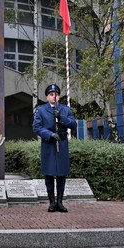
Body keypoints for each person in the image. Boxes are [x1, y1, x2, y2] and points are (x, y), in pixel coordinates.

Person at [32, 83, 77, 213]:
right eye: (51, 95)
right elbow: (36, 127)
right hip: (49, 144)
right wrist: (50, 134)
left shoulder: (65, 109)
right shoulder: (41, 110)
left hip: (62, 144)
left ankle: (60, 203)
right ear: (47, 97)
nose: (54, 97)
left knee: (62, 174)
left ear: (59, 96)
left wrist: (61, 118)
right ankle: (51, 203)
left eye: (56, 95)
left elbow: (73, 124)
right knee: (49, 174)